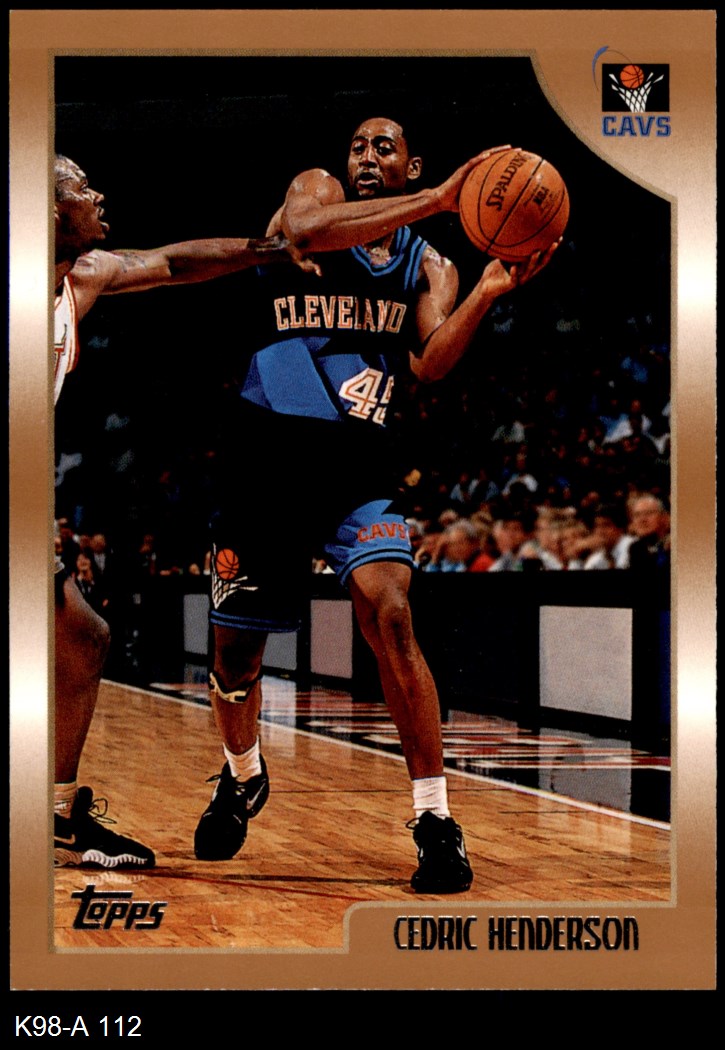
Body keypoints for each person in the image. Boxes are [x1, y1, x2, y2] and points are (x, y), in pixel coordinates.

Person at [195, 117, 558, 893]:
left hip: (357, 471)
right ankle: (241, 773)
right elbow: (303, 230)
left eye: (382, 148)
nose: (364, 156)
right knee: (234, 660)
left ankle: (434, 820)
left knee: (390, 612)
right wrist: (441, 197)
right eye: (358, 145)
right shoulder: (316, 191)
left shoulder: (429, 264)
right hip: (263, 466)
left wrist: (487, 292)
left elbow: (430, 364)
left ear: (410, 164)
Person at [53, 153, 314, 868]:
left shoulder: (79, 279)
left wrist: (269, 249)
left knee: (82, 638)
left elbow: (173, 263)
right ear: (47, 211)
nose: (97, 194)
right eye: (80, 188)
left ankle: (55, 812)